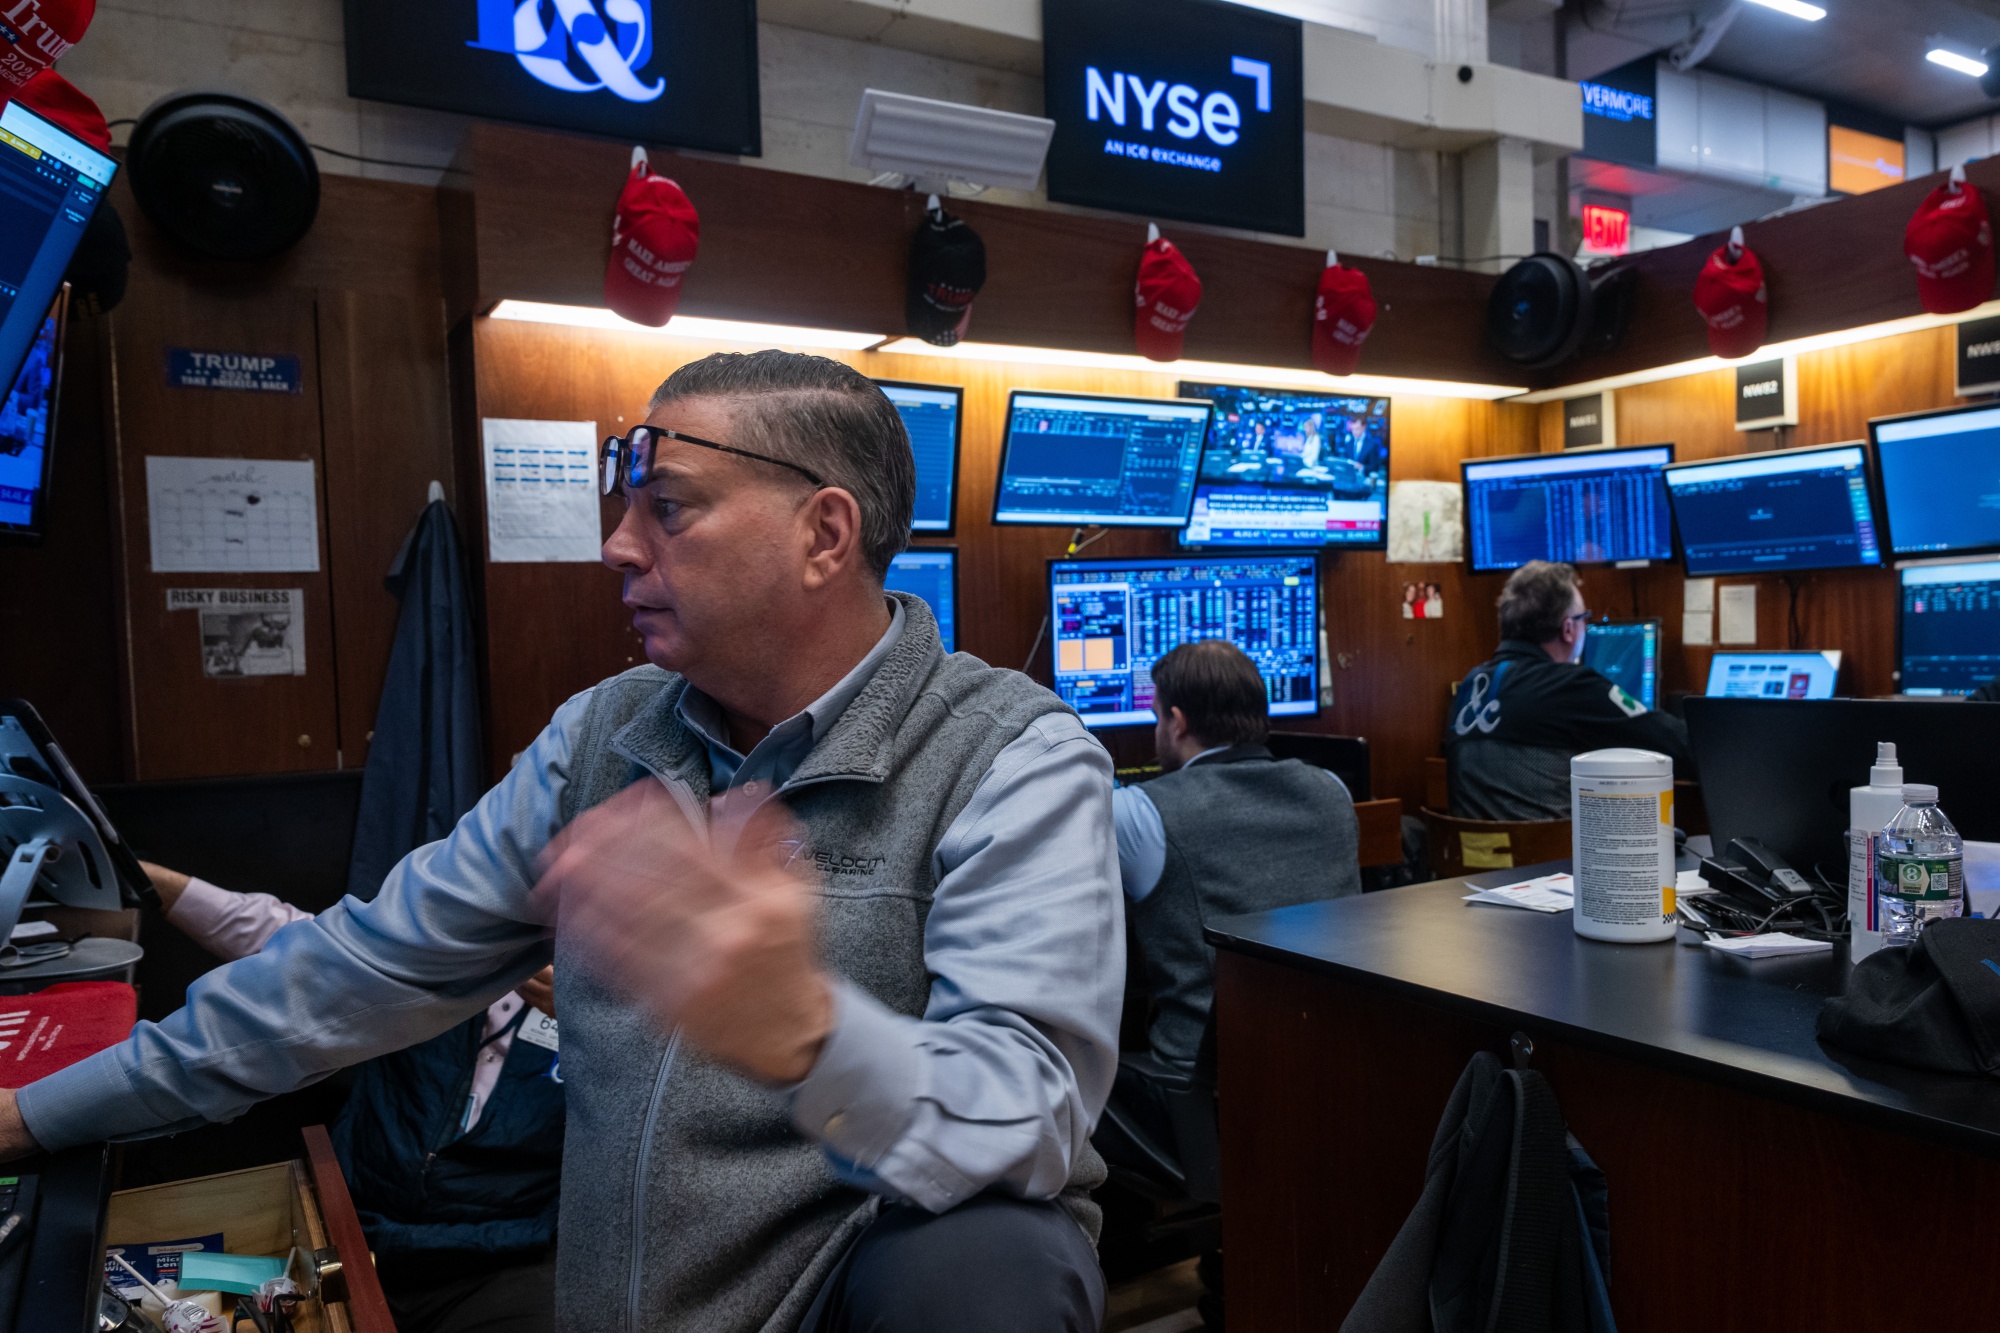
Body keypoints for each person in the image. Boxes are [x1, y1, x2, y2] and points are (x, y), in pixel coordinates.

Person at [2, 351, 1123, 1333]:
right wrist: (38, 1114)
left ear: (822, 533)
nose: (615, 546)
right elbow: (355, 972)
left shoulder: (1011, 756)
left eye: (667, 508)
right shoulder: (605, 731)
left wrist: (804, 1033)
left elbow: (1024, 1113)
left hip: (845, 1300)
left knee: (991, 1263)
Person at [141, 862, 563, 1333]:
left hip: (504, 1260)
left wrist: (590, 1018)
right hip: (356, 1233)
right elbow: (281, 939)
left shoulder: (626, 1009)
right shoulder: (430, 962)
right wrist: (141, 879)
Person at [1105, 639, 1360, 1162]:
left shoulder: (1140, 815)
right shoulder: (1333, 790)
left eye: (1155, 717)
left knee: (1071, 1077)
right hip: (1332, 1077)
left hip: (1204, 1101)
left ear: (1175, 722)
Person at [1445, 560, 1692, 821]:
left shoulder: (1471, 684)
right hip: (1555, 860)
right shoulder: (1570, 686)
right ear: (1568, 629)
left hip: (1477, 859)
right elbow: (1680, 747)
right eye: (1584, 618)